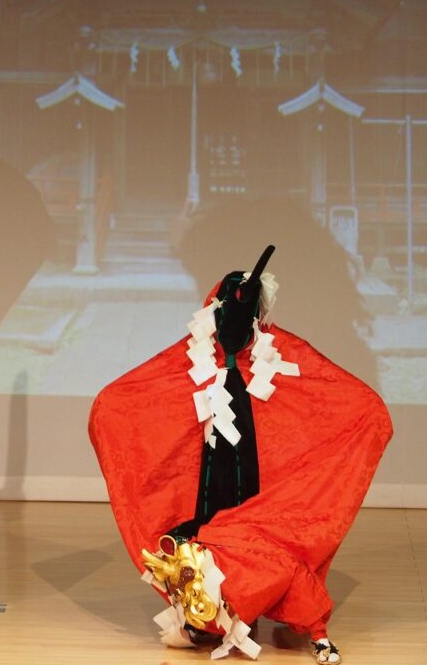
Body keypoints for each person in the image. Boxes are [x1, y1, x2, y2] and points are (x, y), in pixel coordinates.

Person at [90, 245, 392, 663]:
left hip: (261, 476)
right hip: (208, 474)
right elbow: (140, 393)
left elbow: (332, 394)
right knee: (205, 529)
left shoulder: (279, 350)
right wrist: (110, 409)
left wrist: (367, 416)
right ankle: (207, 615)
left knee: (260, 537)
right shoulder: (191, 354)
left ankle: (260, 605)